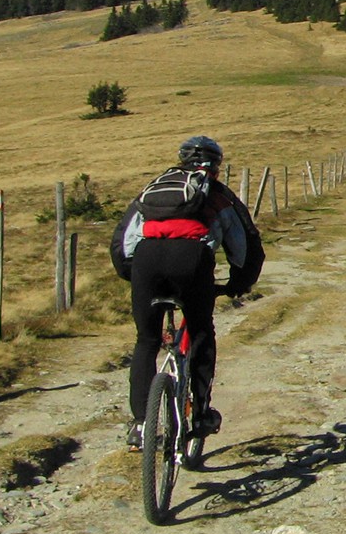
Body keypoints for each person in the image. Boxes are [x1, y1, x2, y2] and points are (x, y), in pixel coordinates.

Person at [110, 136, 264, 449]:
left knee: (146, 340)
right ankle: (201, 415)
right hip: (192, 261)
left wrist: (133, 275)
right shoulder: (217, 194)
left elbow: (122, 242)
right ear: (217, 166)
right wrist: (239, 283)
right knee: (200, 333)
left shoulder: (156, 188)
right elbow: (245, 244)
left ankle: (141, 424)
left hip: (146, 262)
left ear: (181, 160)